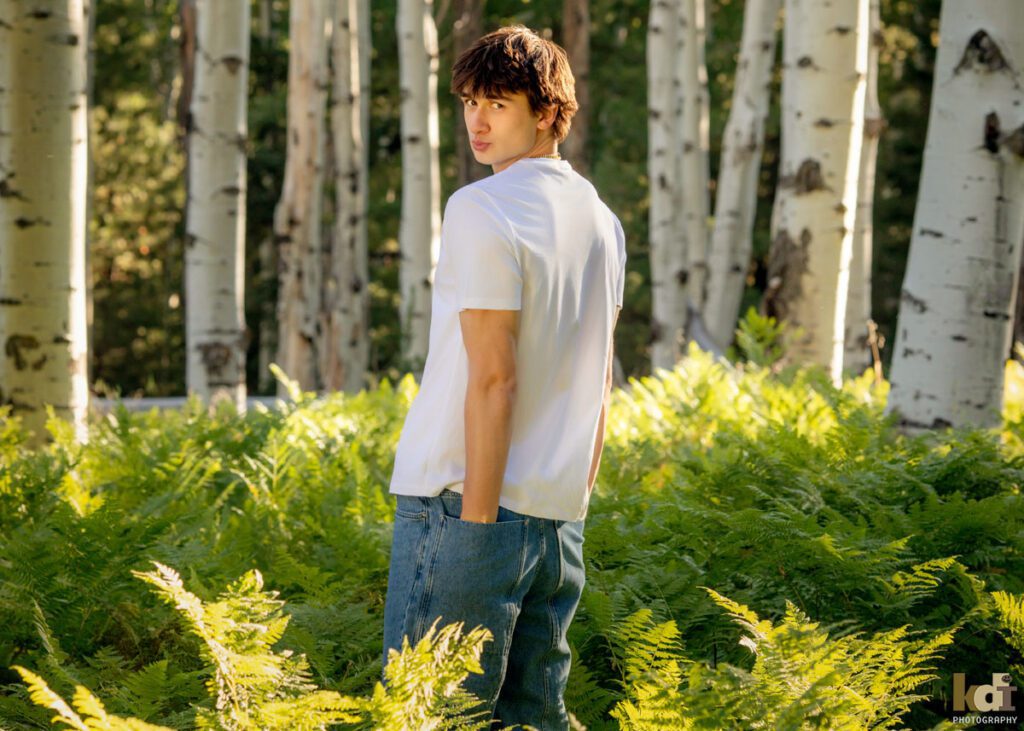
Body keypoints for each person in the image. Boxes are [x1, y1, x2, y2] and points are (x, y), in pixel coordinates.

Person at [382, 24, 626, 730]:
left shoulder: (480, 209)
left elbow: (495, 379)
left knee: (429, 717)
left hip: (464, 507)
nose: (477, 122)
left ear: (548, 113)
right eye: (469, 103)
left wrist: (479, 528)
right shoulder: (601, 221)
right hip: (557, 520)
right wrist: (571, 499)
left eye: (499, 104)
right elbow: (600, 377)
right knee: (530, 721)